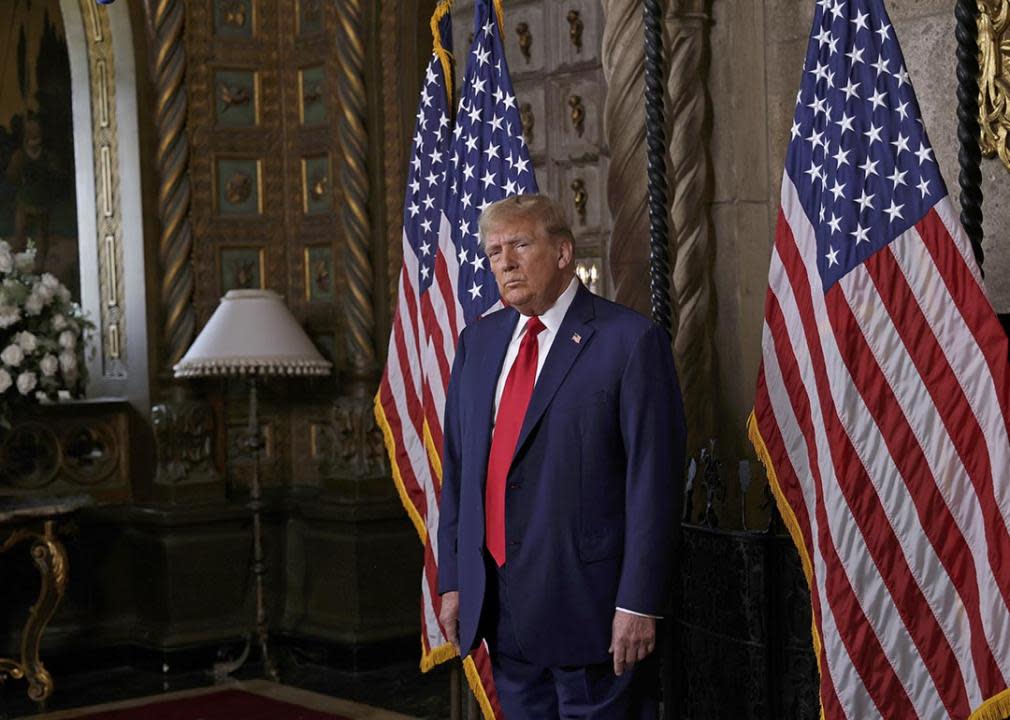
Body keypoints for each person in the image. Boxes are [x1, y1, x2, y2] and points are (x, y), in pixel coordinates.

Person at [437, 194, 686, 718]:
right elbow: (459, 473)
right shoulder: (477, 343)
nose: (504, 262)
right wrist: (455, 580)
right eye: (494, 251)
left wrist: (638, 602)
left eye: (520, 245)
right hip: (501, 610)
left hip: (592, 614)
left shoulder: (629, 341)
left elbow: (653, 485)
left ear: (563, 253)